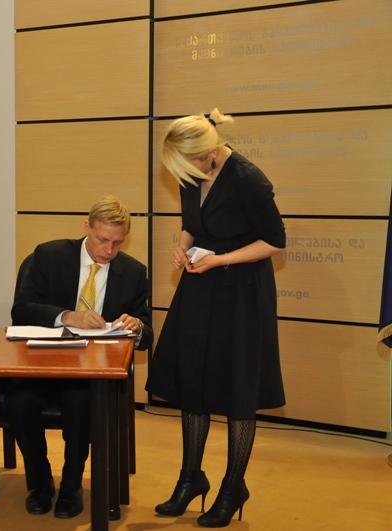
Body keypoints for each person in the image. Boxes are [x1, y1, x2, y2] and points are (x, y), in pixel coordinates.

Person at [145, 109, 286, 527]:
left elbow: (275, 242)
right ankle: (191, 478)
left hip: (242, 291)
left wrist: (221, 259)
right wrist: (182, 245)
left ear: (209, 152)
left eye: (190, 163)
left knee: (238, 388)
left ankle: (232, 486)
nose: (185, 173)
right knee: (194, 379)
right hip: (200, 285)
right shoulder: (191, 168)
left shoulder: (247, 178)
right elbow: (192, 222)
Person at [6, 196, 153, 519]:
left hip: (92, 373)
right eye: (102, 240)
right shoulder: (49, 256)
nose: (108, 251)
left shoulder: (133, 273)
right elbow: (22, 310)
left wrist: (137, 326)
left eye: (117, 243)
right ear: (87, 227)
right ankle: (40, 483)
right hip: (41, 365)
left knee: (81, 402)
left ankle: (71, 486)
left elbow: (146, 335)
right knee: (18, 401)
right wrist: (67, 316)